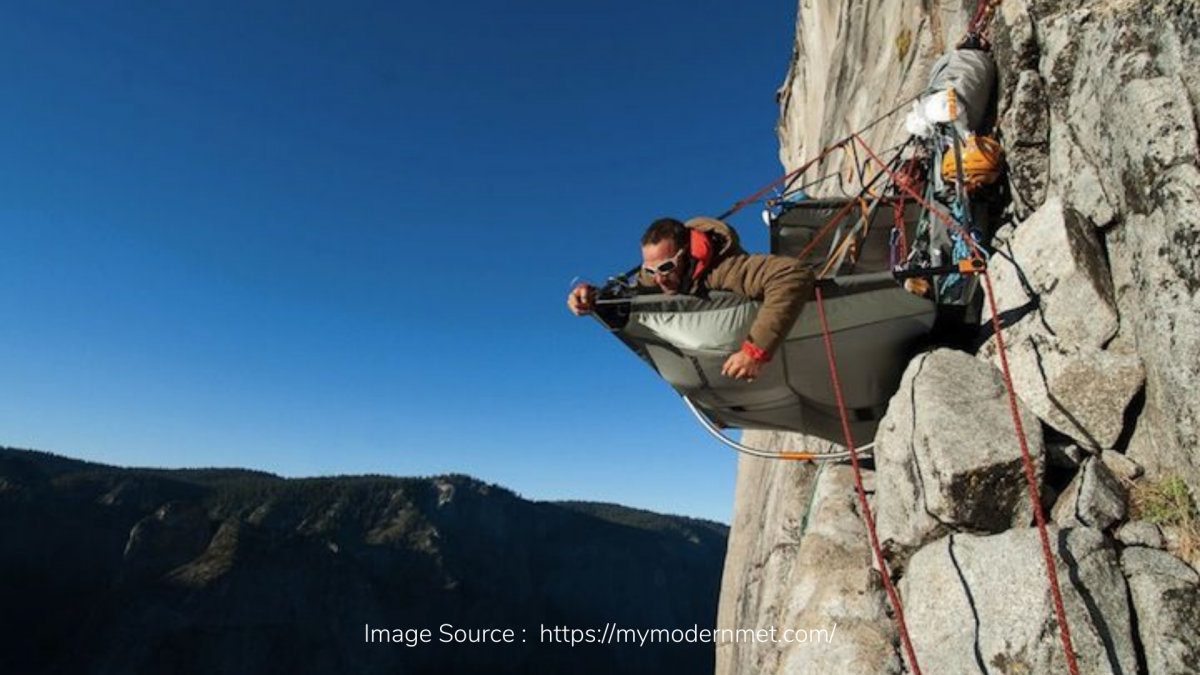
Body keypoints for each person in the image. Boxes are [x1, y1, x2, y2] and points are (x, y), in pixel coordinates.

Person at [568, 217, 813, 381]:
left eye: (666, 267)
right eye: (650, 271)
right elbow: (632, 294)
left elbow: (791, 274)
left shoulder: (727, 269)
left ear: (686, 254)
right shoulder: (655, 278)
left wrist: (755, 350)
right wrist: (590, 295)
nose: (659, 280)